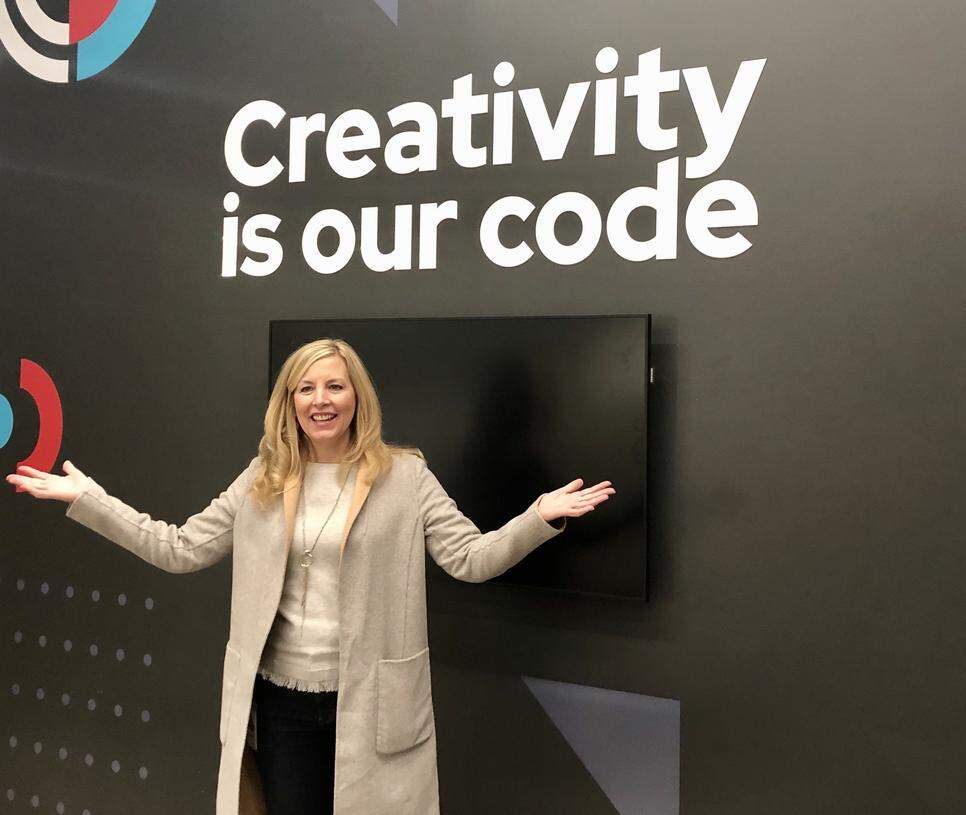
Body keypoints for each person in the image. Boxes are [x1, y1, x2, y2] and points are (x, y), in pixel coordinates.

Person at [5, 338, 615, 815]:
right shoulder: (262, 477)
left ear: (357, 398)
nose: (320, 400)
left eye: (334, 386)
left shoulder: (405, 477)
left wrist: (538, 518)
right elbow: (180, 548)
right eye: (306, 388)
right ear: (289, 402)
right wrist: (89, 499)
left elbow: (470, 559)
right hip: (281, 705)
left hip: (370, 705)